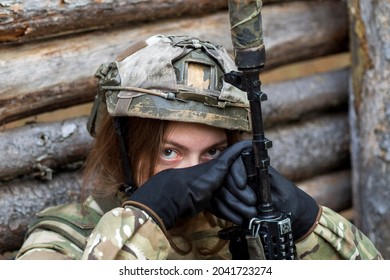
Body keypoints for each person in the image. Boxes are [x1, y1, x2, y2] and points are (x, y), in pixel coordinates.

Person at [16, 34, 382, 260]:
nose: (195, 173)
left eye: (212, 153)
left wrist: (306, 223)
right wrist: (143, 219)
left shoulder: (244, 225)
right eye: (169, 152)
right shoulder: (64, 237)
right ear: (123, 150)